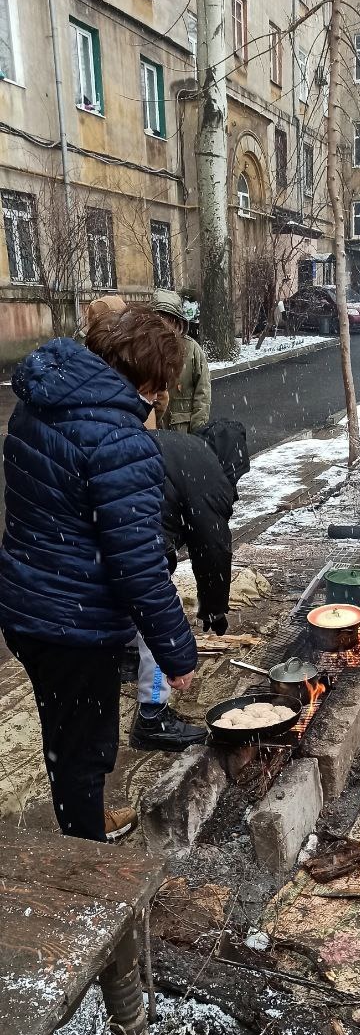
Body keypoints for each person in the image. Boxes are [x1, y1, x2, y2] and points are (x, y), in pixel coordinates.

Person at [0, 308, 197, 843]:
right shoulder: (118, 440)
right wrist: (177, 652)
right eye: (163, 386)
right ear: (149, 377)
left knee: (64, 732)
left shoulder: (40, 404)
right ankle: (85, 858)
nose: (164, 398)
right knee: (86, 746)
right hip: (73, 621)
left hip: (25, 604)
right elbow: (137, 565)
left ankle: (79, 816)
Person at [130, 416, 250, 750]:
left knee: (121, 601)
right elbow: (212, 548)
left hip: (103, 532)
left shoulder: (180, 445)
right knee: (157, 626)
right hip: (138, 542)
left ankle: (124, 658)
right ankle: (151, 719)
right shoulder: (208, 470)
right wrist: (213, 608)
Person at [151, 290, 211, 432]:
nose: (164, 324)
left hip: (183, 432)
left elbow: (202, 394)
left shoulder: (192, 350)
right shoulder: (143, 350)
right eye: (159, 318)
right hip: (153, 434)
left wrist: (198, 432)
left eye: (168, 318)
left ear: (177, 321)